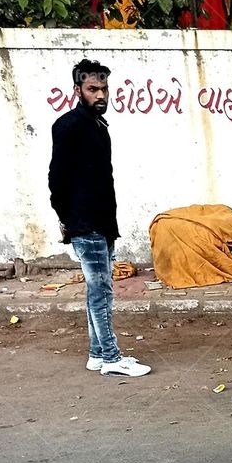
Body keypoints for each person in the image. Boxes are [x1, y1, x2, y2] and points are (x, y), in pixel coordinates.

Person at [48, 59, 151, 378]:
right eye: (93, 89)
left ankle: (97, 354)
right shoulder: (68, 126)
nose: (101, 95)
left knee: (99, 289)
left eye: (104, 88)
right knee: (102, 290)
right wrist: (67, 218)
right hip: (85, 223)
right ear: (78, 90)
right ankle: (110, 356)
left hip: (103, 223)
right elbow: (56, 178)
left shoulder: (98, 126)